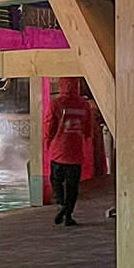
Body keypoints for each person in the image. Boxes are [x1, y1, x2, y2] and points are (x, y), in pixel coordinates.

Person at [44, 77, 93, 227]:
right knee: (72, 186)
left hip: (58, 150)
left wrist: (47, 141)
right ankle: (69, 215)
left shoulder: (56, 103)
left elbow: (50, 124)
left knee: (57, 181)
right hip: (76, 152)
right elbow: (87, 128)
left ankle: (60, 205)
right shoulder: (84, 105)